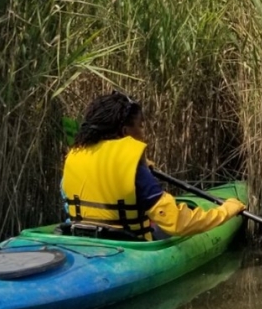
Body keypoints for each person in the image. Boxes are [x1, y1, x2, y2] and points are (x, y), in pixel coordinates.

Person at [61, 91, 245, 241]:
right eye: (141, 127)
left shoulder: (75, 155)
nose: (143, 134)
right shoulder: (132, 167)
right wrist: (226, 211)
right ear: (125, 132)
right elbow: (177, 223)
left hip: (81, 238)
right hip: (129, 244)